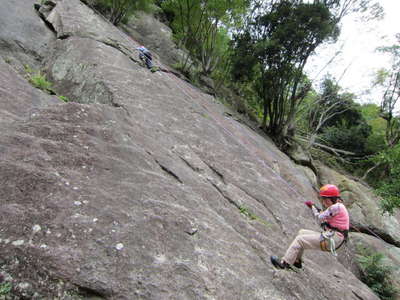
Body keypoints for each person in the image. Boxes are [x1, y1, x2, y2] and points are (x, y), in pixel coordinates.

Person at [271, 184, 349, 270]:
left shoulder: (335, 207)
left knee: (300, 240)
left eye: (326, 200)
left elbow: (319, 217)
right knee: (301, 232)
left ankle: (285, 263)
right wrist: (313, 206)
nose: (323, 202)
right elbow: (324, 215)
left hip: (333, 238)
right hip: (333, 237)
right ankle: (296, 261)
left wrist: (312, 207)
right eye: (323, 200)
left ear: (333, 199)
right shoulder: (339, 206)